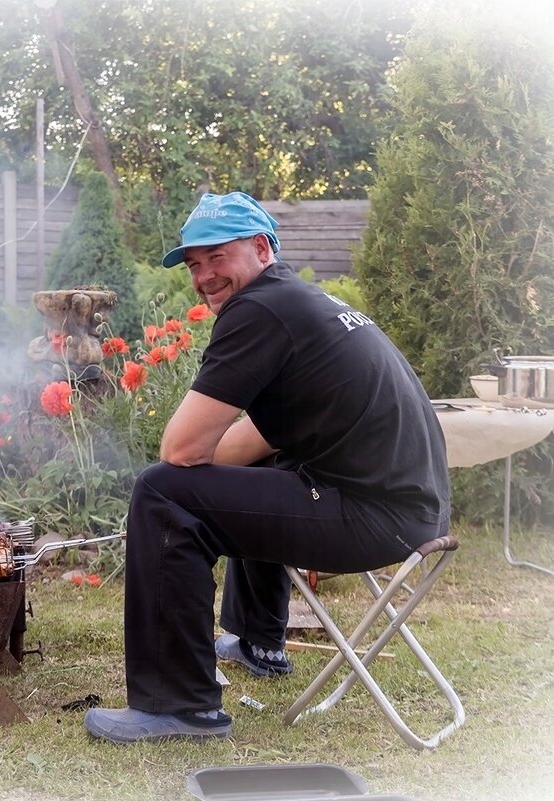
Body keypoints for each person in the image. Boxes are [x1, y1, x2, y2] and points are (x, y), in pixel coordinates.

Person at [84, 192, 450, 742]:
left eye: (217, 257)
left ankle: (181, 707)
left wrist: (183, 483)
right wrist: (204, 478)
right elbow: (245, 442)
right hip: (408, 510)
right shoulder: (298, 302)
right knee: (255, 469)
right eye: (194, 264)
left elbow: (180, 452)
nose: (204, 276)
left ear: (261, 248)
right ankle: (260, 642)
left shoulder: (255, 311)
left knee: (161, 493)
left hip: (374, 515)